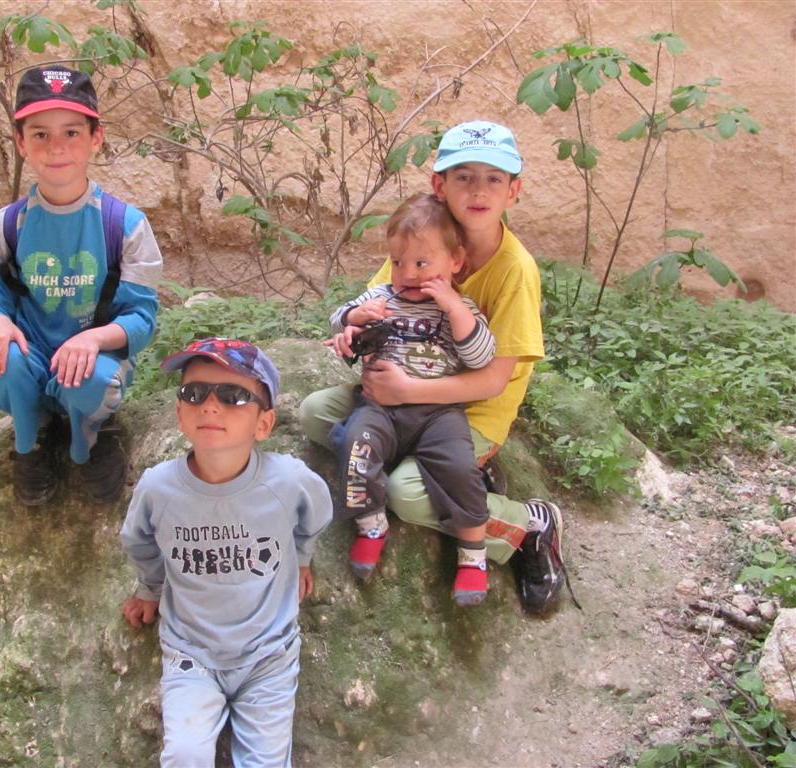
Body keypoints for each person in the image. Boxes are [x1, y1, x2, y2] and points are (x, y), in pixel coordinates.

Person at [300, 120, 570, 615]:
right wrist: (355, 334)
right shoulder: (420, 237)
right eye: (464, 177)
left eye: (493, 178)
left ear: (513, 190)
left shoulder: (514, 270)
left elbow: (493, 379)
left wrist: (406, 391)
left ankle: (527, 526)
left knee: (406, 495)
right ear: (439, 184)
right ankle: (415, 457)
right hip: (397, 396)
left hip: (471, 407)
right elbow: (381, 307)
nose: (478, 191)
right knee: (315, 412)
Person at [120, 338, 332, 767]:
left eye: (233, 396)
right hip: (191, 653)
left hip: (269, 655)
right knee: (185, 755)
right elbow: (138, 540)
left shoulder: (289, 482)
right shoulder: (159, 488)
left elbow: (316, 515)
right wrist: (150, 588)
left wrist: (302, 557)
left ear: (263, 424)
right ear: (179, 413)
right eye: (194, 393)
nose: (211, 406)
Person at [0, 65, 162, 506]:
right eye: (40, 134)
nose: (56, 147)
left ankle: (89, 438)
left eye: (72, 132)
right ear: (20, 142)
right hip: (34, 357)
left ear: (96, 138)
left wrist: (93, 339)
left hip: (93, 361)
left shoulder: (125, 225)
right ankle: (32, 437)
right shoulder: (6, 225)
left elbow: (141, 319)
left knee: (91, 376)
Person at [329, 193, 496, 606]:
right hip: (380, 406)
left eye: (422, 263)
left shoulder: (460, 307)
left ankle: (473, 554)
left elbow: (481, 357)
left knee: (458, 466)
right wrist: (353, 321)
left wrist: (454, 308)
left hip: (439, 414)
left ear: (455, 261)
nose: (408, 274)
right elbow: (338, 318)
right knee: (356, 445)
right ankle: (371, 523)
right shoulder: (382, 297)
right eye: (398, 262)